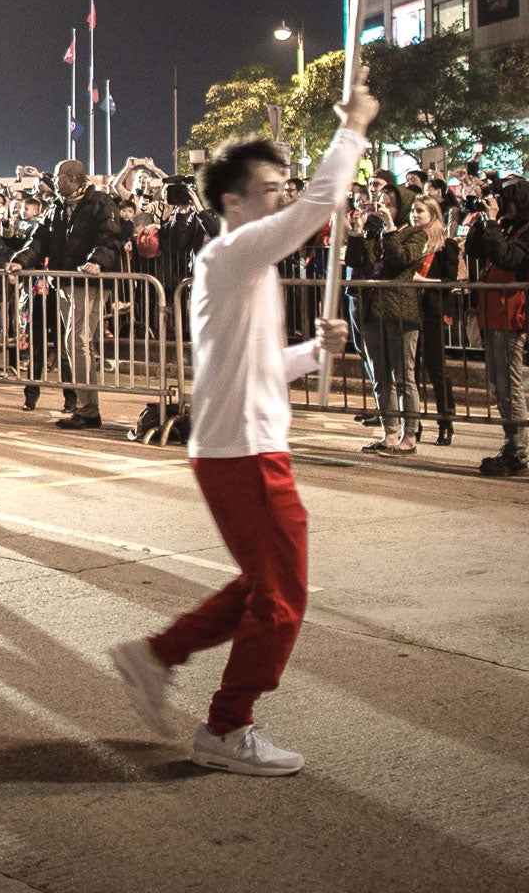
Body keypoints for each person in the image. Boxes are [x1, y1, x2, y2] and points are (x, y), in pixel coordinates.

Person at [110, 74, 374, 777]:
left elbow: (253, 367)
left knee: (263, 587)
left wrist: (315, 353)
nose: (286, 197)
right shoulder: (231, 254)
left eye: (287, 185)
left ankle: (157, 654)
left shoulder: (240, 268)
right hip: (244, 454)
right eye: (272, 188)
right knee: (283, 597)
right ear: (232, 203)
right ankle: (227, 728)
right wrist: (354, 126)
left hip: (241, 445)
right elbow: (320, 205)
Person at [7, 158, 125, 429]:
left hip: (89, 282)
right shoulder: (57, 208)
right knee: (74, 344)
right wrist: (21, 260)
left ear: (72, 178)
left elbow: (111, 239)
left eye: (59, 176)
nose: (55, 181)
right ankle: (86, 406)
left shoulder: (101, 203)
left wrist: (97, 262)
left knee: (77, 341)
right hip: (64, 281)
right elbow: (39, 240)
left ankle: (88, 408)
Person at [464, 179, 529, 477]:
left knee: (510, 386)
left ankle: (518, 451)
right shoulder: (506, 227)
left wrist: (492, 222)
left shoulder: (525, 232)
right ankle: (512, 445)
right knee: (499, 385)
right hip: (493, 314)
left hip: (510, 315)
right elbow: (476, 250)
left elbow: (507, 258)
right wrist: (482, 221)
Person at [351, 192, 423, 456]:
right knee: (380, 376)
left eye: (391, 203)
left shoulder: (415, 234)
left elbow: (401, 260)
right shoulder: (377, 232)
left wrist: (391, 229)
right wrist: (359, 234)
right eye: (381, 202)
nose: (385, 208)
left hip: (401, 310)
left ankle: (410, 436)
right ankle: (389, 433)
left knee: (404, 376)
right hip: (373, 309)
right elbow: (358, 263)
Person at [408, 194, 459, 447]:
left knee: (436, 368)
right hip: (409, 311)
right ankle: (413, 424)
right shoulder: (410, 240)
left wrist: (423, 282)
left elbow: (449, 281)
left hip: (433, 312)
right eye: (413, 211)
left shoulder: (445, 245)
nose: (415, 215)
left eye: (420, 211)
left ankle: (445, 422)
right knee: (411, 371)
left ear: (433, 214)